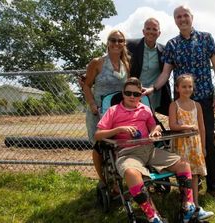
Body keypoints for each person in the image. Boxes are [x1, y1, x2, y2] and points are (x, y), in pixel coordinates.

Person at [144, 5, 215, 202]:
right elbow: (165, 73)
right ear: (175, 20)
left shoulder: (206, 38)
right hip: (181, 103)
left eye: (185, 15)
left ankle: (213, 186)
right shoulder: (172, 45)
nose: (182, 19)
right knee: (183, 143)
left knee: (208, 141)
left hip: (204, 98)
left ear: (191, 17)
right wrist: (153, 89)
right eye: (178, 17)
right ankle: (189, 184)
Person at [94, 77, 197, 223]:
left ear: (140, 96)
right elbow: (98, 135)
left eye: (136, 94)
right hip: (127, 152)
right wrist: (119, 129)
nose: (132, 96)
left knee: (184, 165)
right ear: (123, 93)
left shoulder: (145, 109)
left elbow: (154, 126)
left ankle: (187, 208)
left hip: (149, 149)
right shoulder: (113, 111)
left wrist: (155, 130)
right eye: (128, 93)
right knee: (131, 173)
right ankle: (153, 216)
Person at [81, 29, 130, 183]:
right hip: (99, 111)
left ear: (124, 43)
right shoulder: (97, 63)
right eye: (113, 40)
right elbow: (87, 86)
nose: (116, 43)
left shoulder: (126, 64)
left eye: (120, 40)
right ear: (107, 43)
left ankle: (117, 179)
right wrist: (92, 104)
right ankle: (104, 181)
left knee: (116, 146)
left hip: (118, 112)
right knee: (99, 147)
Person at [169, 74, 214, 220]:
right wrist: (188, 126)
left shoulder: (197, 106)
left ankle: (196, 205)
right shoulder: (174, 105)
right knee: (184, 176)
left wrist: (203, 146)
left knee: (194, 175)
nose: (187, 89)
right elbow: (173, 125)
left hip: (195, 145)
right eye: (184, 86)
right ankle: (185, 207)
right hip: (181, 145)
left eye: (190, 86)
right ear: (177, 88)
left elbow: (201, 128)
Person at [126, 18, 171, 116]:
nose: (151, 32)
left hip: (153, 92)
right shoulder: (130, 45)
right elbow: (114, 56)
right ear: (143, 31)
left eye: (154, 29)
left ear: (159, 33)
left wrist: (152, 89)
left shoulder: (165, 50)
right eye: (148, 28)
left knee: (149, 119)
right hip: (134, 91)